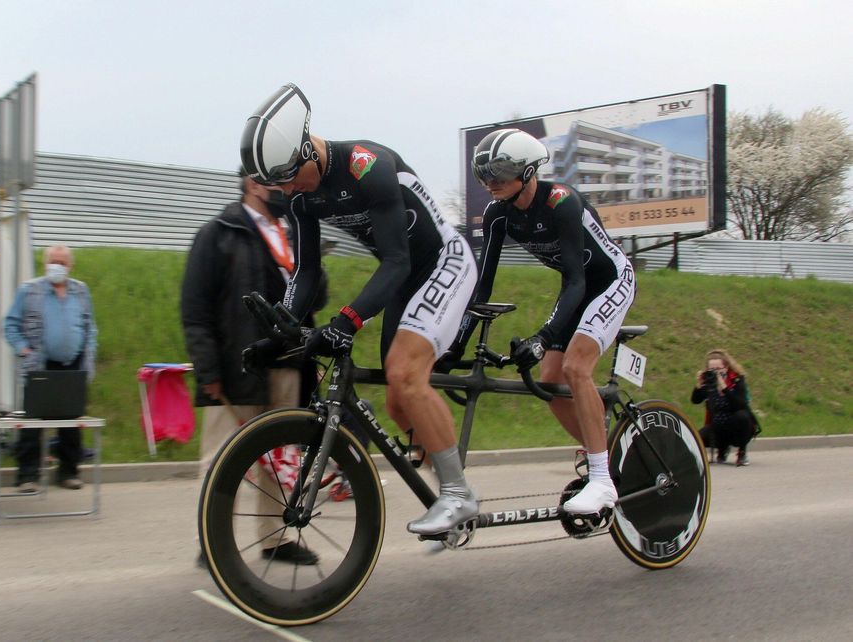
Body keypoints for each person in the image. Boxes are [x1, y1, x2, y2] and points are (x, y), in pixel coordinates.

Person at [239, 83, 479, 536]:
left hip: (443, 260)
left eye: (290, 177)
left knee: (406, 374)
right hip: (406, 276)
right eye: (278, 184)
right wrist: (281, 331)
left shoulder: (367, 167)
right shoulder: (300, 195)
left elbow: (396, 259)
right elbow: (307, 272)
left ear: (308, 150)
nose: (288, 189)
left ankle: (458, 495)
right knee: (398, 400)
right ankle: (450, 495)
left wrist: (348, 320)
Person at [469, 128, 637, 515]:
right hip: (577, 289)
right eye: (484, 175)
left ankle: (601, 480)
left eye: (499, 174)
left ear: (528, 173)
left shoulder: (562, 202)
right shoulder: (498, 213)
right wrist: (456, 343)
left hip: (610, 281)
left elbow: (578, 279)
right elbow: (483, 283)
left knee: (577, 367)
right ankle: (607, 454)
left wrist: (543, 337)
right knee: (549, 382)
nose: (490, 183)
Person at [181, 168, 319, 565]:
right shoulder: (217, 233)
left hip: (288, 364)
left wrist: (309, 258)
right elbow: (195, 311)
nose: (283, 189)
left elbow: (315, 296)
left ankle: (274, 539)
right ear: (252, 184)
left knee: (280, 456)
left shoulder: (294, 233)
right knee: (223, 459)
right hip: (235, 368)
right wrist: (208, 371)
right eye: (275, 181)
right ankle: (212, 541)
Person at [4, 244, 97, 492]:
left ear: (71, 266)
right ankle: (27, 475)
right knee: (32, 422)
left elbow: (90, 327)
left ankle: (68, 471)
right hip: (40, 366)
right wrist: (24, 350)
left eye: (63, 262)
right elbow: (10, 325)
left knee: (71, 422)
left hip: (73, 365)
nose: (58, 266)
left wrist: (89, 354)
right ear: (45, 264)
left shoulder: (80, 291)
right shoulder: (30, 291)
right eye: (53, 261)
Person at [691, 349, 759, 466]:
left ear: (726, 367)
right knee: (697, 438)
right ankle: (722, 449)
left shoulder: (737, 380)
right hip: (718, 426)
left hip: (737, 427)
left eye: (718, 369)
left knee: (742, 416)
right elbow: (695, 400)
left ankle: (742, 452)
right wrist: (698, 385)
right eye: (712, 370)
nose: (715, 373)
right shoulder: (709, 383)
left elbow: (741, 404)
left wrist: (724, 388)